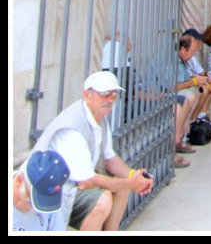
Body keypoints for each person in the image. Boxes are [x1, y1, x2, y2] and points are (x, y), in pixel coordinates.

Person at [26, 71, 154, 231]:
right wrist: (129, 182)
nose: (110, 99)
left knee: (122, 185)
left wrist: (133, 176)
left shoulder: (99, 117)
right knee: (103, 200)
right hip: (57, 187)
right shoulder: (73, 127)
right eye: (104, 94)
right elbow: (86, 181)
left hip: (76, 181)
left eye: (114, 94)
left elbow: (110, 159)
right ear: (86, 95)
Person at [176, 35, 211, 152]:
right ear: (183, 50)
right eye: (193, 51)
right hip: (164, 95)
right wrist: (193, 82)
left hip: (183, 91)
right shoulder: (173, 62)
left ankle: (189, 127)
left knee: (201, 90)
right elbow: (171, 87)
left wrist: (199, 81)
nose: (193, 55)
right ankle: (179, 137)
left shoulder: (184, 62)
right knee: (190, 96)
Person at [13, 149, 71, 231]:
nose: (35, 209)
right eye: (32, 201)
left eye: (46, 203)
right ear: (19, 180)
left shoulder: (51, 210)